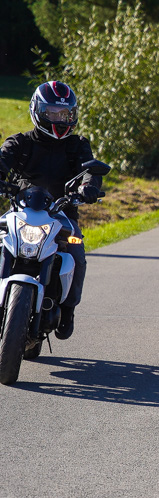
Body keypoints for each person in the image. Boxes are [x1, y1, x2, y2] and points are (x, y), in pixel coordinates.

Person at [0, 81, 104, 340]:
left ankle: (68, 309)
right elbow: (3, 159)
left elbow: (89, 170)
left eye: (65, 113)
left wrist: (89, 187)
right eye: (52, 113)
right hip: (22, 211)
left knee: (77, 252)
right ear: (38, 111)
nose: (59, 119)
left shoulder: (78, 145)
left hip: (61, 213)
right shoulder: (20, 142)